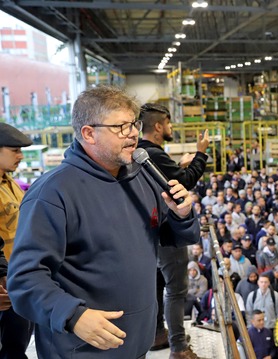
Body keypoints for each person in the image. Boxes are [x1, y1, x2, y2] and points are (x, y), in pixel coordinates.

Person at [7, 86, 200, 358]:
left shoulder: (143, 178)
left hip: (136, 342)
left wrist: (182, 217)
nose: (133, 133)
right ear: (88, 133)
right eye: (121, 126)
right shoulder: (53, 194)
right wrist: (72, 315)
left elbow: (166, 237)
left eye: (134, 124)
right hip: (83, 349)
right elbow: (24, 279)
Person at [138, 102, 209, 356]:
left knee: (158, 286)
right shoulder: (154, 154)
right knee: (176, 290)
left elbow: (169, 178)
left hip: (150, 234)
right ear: (158, 126)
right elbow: (184, 182)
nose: (170, 128)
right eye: (168, 123)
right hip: (167, 233)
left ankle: (158, 334)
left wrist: (179, 165)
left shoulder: (140, 152)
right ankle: (179, 347)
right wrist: (201, 154)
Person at [0, 123, 34, 358]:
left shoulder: (9, 182)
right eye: (14, 150)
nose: (21, 156)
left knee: (17, 346)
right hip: (3, 284)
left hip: (19, 278)